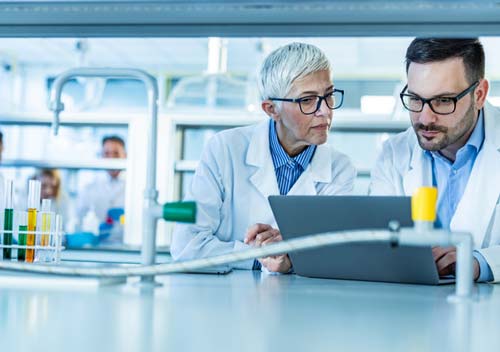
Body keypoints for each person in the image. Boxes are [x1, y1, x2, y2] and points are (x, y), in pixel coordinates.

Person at [171, 42, 356, 273]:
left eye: (328, 95)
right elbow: (186, 245)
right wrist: (259, 258)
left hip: (301, 304)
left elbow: (332, 256)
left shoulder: (339, 168)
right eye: (308, 100)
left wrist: (288, 260)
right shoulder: (225, 149)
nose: (326, 111)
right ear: (271, 109)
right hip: (223, 300)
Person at [370, 38, 500, 282]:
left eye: (443, 101)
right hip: (413, 308)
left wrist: (478, 263)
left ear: (479, 94)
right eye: (416, 99)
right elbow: (378, 241)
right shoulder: (393, 154)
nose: (425, 118)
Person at [76, 135, 127, 224]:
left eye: (116, 153)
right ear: (101, 156)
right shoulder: (90, 188)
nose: (111, 158)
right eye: (107, 153)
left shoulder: (133, 186)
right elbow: (80, 218)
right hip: (98, 237)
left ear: (125, 155)